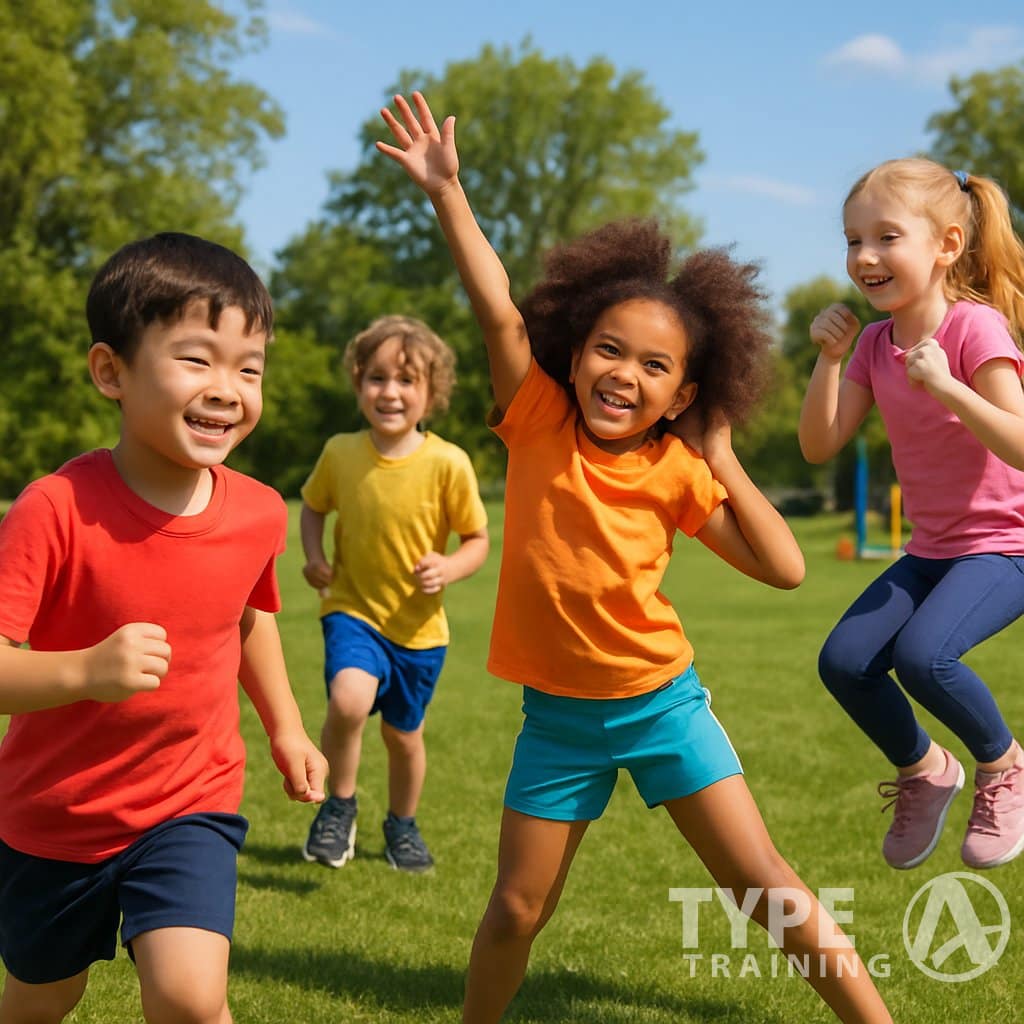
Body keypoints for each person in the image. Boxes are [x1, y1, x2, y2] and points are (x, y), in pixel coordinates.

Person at [378, 92, 893, 1024]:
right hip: (558, 724)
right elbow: (497, 312)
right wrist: (449, 196)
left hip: (663, 706)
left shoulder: (679, 472)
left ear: (683, 393)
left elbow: (785, 568)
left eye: (655, 368)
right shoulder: (535, 424)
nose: (626, 374)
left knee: (763, 886)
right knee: (515, 909)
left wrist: (722, 455)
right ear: (573, 357)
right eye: (609, 351)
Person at [0, 232, 328, 1024]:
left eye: (249, 368)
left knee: (189, 998)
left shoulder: (255, 511)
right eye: (196, 359)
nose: (228, 388)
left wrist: (286, 727)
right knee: (43, 998)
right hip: (55, 817)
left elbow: (247, 620)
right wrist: (84, 672)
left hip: (191, 801)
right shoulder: (53, 508)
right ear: (110, 371)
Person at [799, 157, 1024, 871]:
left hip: (1005, 545)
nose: (864, 257)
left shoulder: (975, 328)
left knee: (927, 657)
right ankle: (927, 770)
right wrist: (830, 361)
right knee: (845, 662)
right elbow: (819, 444)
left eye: (885, 237)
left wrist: (949, 388)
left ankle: (1005, 765)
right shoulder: (872, 344)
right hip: (933, 551)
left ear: (948, 245)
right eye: (852, 240)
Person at [300, 314, 489, 874]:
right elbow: (313, 507)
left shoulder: (448, 462)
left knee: (404, 737)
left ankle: (402, 825)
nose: (390, 392)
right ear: (359, 383)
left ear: (431, 394)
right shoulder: (340, 452)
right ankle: (339, 807)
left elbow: (477, 539)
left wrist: (450, 567)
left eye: (407, 381)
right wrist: (315, 558)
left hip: (419, 630)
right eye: (377, 378)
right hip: (352, 611)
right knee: (348, 701)